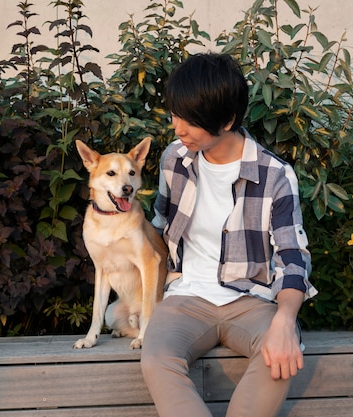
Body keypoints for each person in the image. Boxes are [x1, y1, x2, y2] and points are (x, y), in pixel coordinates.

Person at [140, 52, 318, 417]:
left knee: (280, 355)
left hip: (252, 300)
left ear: (228, 119)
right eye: (175, 114)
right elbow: (158, 226)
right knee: (156, 358)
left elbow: (292, 257)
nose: (178, 127)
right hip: (186, 296)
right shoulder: (174, 160)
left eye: (191, 120)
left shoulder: (275, 175)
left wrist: (286, 322)